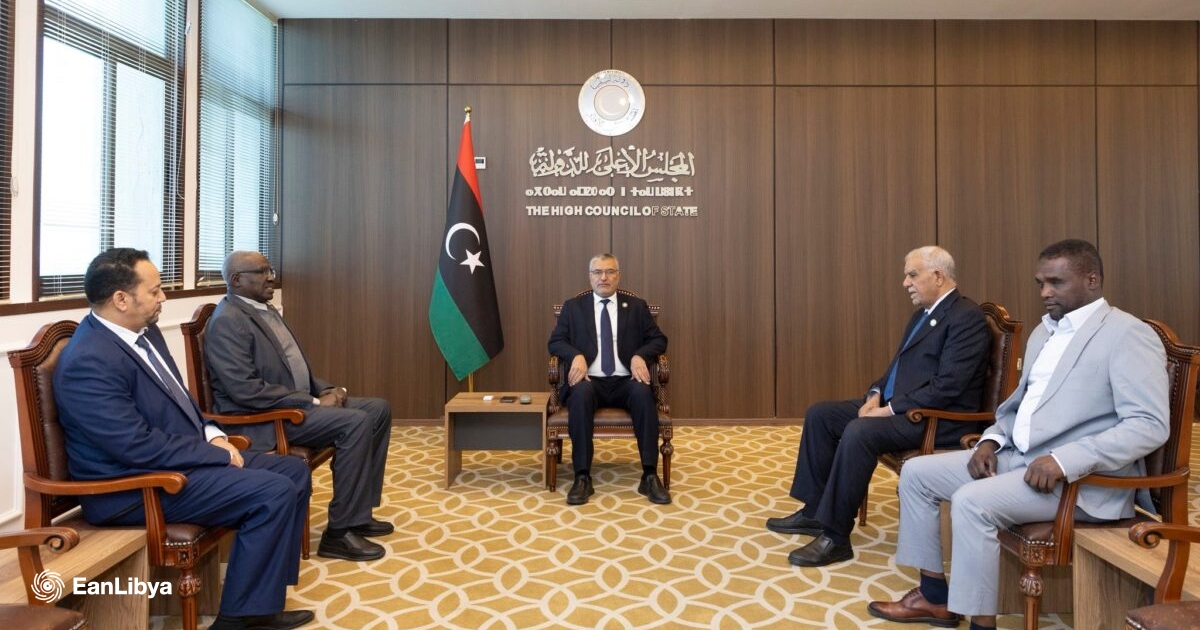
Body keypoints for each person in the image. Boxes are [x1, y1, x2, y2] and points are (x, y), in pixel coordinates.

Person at [868, 239, 1169, 630]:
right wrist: (991, 440)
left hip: (1080, 481)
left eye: (1056, 282)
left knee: (971, 501)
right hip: (1018, 458)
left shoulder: (1127, 334)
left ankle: (982, 625)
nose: (1045, 293)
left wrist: (1064, 460)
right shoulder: (1044, 333)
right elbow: (1019, 407)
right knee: (916, 474)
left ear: (1092, 280)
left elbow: (1148, 424)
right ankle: (934, 596)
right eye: (1040, 283)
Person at [54, 248, 313, 630]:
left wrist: (213, 434)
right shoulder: (88, 360)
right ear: (121, 299)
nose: (163, 297)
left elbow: (181, 402)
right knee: (271, 492)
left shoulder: (144, 332)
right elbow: (133, 445)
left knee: (292, 471)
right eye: (155, 291)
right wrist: (215, 455)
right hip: (129, 488)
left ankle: (261, 603)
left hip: (171, 464)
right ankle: (237, 620)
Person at [766, 245, 991, 567]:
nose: (905, 283)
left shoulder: (966, 317)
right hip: (904, 408)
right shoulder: (922, 315)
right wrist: (875, 394)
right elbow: (897, 369)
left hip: (938, 418)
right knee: (821, 414)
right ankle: (815, 512)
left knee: (860, 431)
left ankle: (836, 537)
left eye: (912, 275)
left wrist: (887, 409)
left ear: (938, 276)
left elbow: (949, 386)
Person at [204, 251, 394, 562]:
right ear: (237, 280)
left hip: (293, 405)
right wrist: (314, 401)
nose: (271, 276)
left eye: (270, 269)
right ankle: (338, 534)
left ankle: (358, 514)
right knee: (356, 422)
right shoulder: (228, 321)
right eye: (262, 271)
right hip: (263, 420)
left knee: (377, 409)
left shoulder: (264, 309)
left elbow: (292, 368)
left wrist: (326, 389)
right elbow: (245, 390)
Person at [548, 253, 670, 505]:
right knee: (580, 395)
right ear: (590, 276)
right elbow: (556, 342)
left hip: (626, 380)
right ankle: (582, 476)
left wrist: (640, 355)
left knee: (643, 393)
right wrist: (575, 355)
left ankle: (649, 475)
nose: (603, 277)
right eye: (597, 272)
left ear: (618, 275)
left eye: (610, 271)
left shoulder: (636, 307)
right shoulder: (573, 307)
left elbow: (658, 340)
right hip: (589, 381)